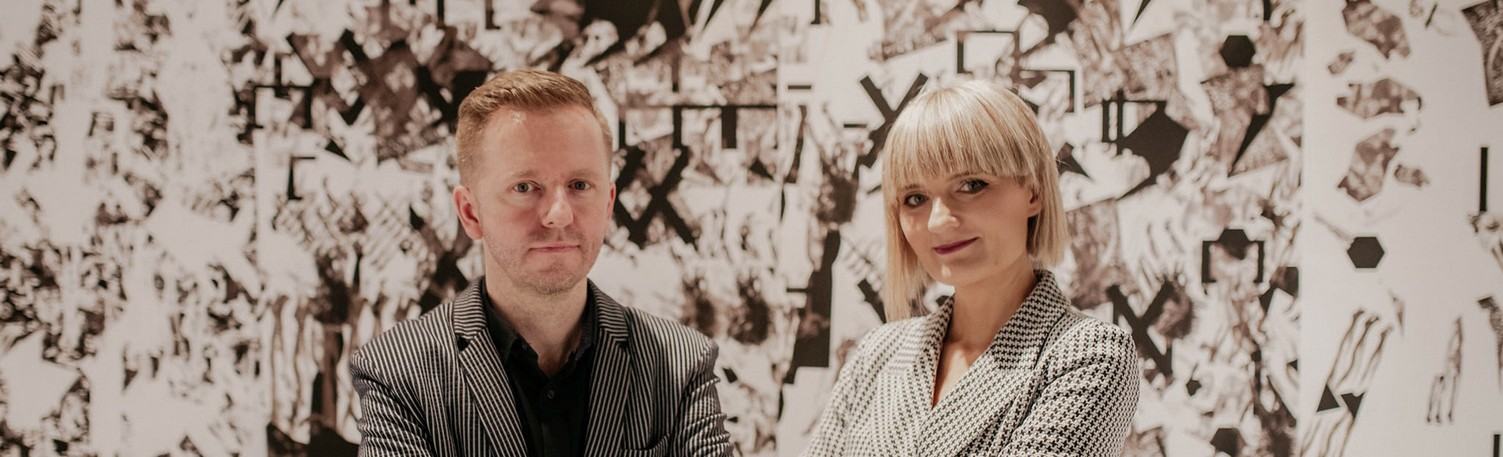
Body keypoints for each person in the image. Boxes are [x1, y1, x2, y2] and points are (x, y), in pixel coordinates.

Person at [350, 69, 733, 457]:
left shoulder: (680, 365)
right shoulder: (397, 372)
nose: (559, 214)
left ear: (608, 205)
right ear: (470, 212)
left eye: (579, 185)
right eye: (524, 187)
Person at [803, 80, 1140, 456]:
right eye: (915, 198)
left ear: (1033, 192)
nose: (938, 222)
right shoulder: (877, 354)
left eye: (971, 185)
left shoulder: (1088, 354)